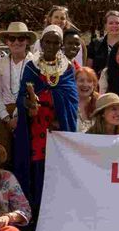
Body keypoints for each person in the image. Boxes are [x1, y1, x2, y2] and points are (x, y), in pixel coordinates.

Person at [12, 25, 80, 220]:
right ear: (41, 43)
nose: (51, 46)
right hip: (36, 129)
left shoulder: (67, 68)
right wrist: (29, 102)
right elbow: (21, 96)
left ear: (61, 45)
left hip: (57, 128)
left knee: (56, 170)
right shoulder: (31, 66)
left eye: (55, 42)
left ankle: (56, 216)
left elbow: (71, 98)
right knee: (37, 170)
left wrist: (53, 104)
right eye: (47, 42)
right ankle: (35, 215)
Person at [0, 21, 34, 144]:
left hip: (28, 113)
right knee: (4, 152)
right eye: (12, 39)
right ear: (7, 42)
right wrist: (6, 118)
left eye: (21, 38)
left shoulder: (35, 63)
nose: (16, 42)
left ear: (27, 41)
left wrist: (19, 115)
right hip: (4, 114)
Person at [85, 10, 119, 77]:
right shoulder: (95, 44)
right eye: (111, 23)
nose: (114, 26)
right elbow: (88, 69)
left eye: (117, 23)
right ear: (105, 26)